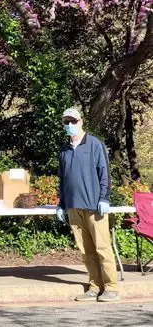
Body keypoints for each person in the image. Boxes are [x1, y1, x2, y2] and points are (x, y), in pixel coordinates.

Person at [57, 108, 119, 302]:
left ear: (81, 121)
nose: (70, 125)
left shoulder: (94, 144)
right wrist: (62, 204)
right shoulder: (64, 150)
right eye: (66, 122)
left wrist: (104, 198)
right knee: (86, 251)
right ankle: (94, 287)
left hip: (94, 206)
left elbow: (105, 174)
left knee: (102, 248)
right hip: (74, 207)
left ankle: (111, 288)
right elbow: (62, 179)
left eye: (73, 121)